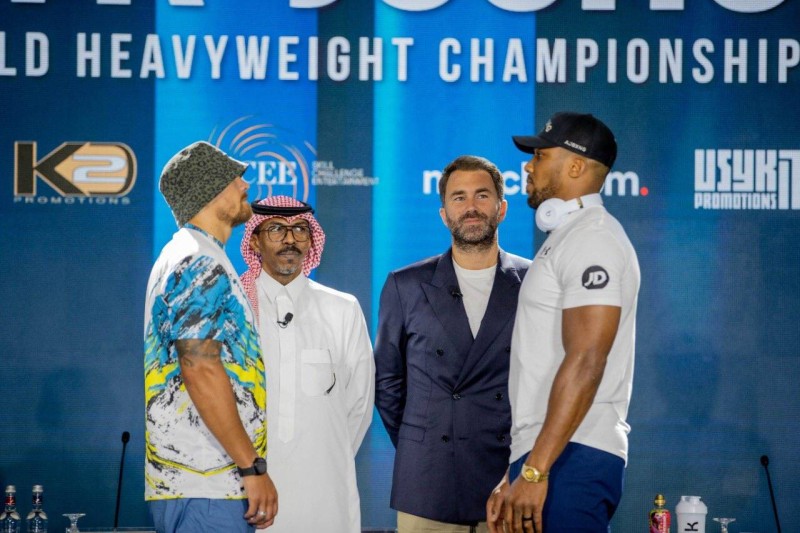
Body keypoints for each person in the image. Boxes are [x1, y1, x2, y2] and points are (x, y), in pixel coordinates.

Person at [486, 112, 640, 533]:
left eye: (540, 155)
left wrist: (536, 470)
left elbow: (588, 359)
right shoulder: (570, 236)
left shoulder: (594, 238)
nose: (528, 166)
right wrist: (518, 470)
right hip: (551, 454)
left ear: (575, 166)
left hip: (572, 454)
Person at [375, 155, 531, 533]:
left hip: (511, 478)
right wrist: (425, 441)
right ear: (444, 214)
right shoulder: (405, 284)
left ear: (502, 208)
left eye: (482, 195)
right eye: (459, 197)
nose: (471, 206)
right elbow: (387, 382)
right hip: (429, 482)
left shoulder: (536, 281)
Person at [144, 141, 278, 532]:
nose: (244, 185)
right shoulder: (198, 260)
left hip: (198, 483)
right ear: (210, 191)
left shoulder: (193, 254)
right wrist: (251, 467)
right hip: (207, 485)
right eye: (234, 178)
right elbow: (200, 367)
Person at [239, 195, 374, 533]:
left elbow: (359, 406)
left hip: (324, 491)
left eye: (300, 229)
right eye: (276, 229)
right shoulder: (236, 307)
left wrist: (327, 455)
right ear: (254, 240)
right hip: (248, 487)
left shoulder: (342, 309)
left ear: (312, 239)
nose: (290, 239)